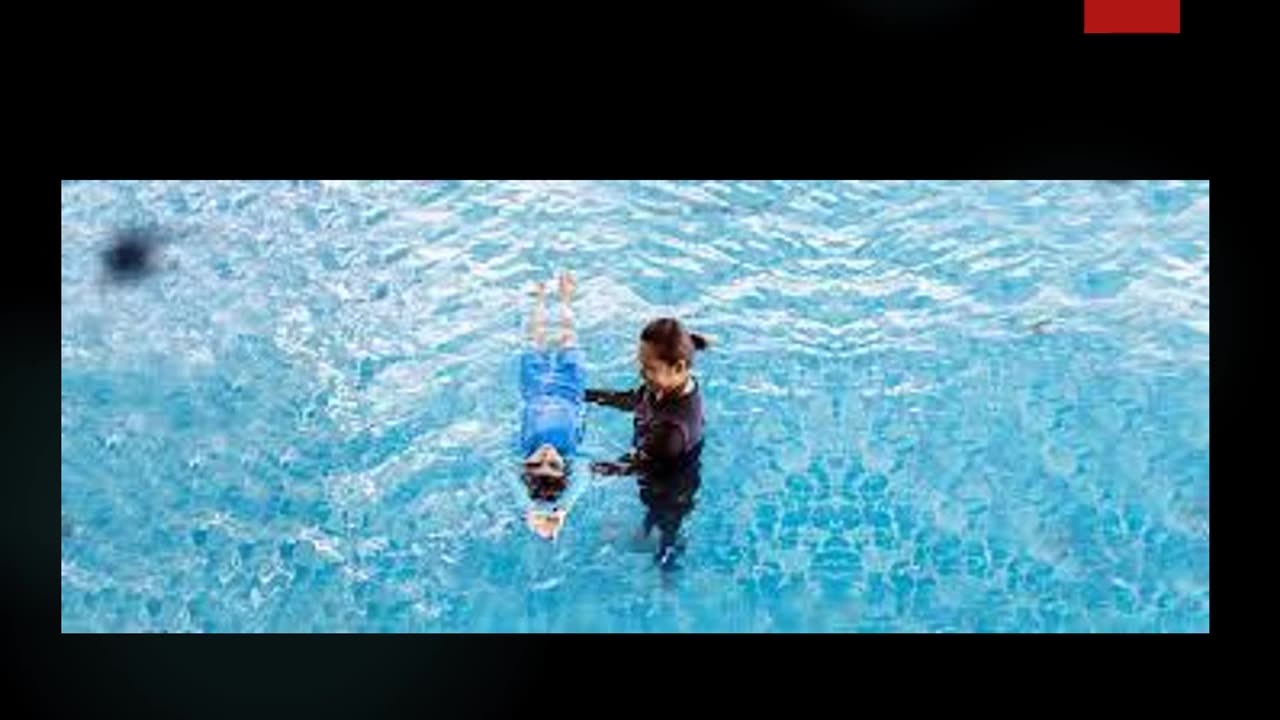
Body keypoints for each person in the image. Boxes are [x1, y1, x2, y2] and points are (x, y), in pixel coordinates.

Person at [586, 317, 709, 567]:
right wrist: (585, 395)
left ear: (678, 367)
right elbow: (633, 400)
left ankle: (668, 568)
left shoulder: (672, 430)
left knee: (666, 524)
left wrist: (587, 469)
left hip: (672, 487)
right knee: (653, 514)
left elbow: (637, 465)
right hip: (656, 464)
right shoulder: (663, 385)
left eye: (649, 368)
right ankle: (649, 532)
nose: (642, 374)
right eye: (641, 365)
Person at [519, 271, 585, 540]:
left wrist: (529, 510)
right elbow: (582, 479)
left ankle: (539, 299)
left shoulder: (522, 449)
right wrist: (563, 510)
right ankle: (567, 298)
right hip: (571, 388)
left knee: (534, 341)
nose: (546, 455)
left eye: (537, 464)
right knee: (569, 337)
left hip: (533, 387)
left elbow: (509, 479)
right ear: (563, 467)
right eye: (553, 464)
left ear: (525, 466)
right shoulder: (571, 453)